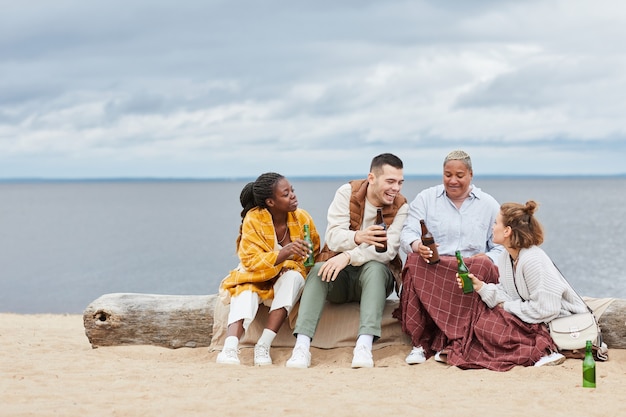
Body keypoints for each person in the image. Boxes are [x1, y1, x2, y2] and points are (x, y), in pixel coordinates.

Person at [285, 153, 408, 369]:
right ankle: (301, 347)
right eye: (390, 181)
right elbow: (333, 237)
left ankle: (364, 345)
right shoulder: (347, 193)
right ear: (371, 178)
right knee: (319, 269)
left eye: (400, 182)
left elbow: (388, 252)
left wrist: (349, 255)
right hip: (340, 277)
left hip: (375, 279)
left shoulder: (401, 207)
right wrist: (357, 237)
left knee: (376, 268)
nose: (396, 188)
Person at [398, 149, 504, 365]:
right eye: (448, 175)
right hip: (435, 269)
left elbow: (502, 247)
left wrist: (487, 258)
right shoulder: (426, 199)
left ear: (471, 175)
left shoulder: (489, 204)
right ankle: (419, 344)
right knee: (413, 261)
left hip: (470, 272)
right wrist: (418, 245)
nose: (453, 180)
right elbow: (407, 233)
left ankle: (458, 339)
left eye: (459, 175)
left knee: (484, 264)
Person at [454, 200, 589, 369]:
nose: (492, 227)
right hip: (534, 317)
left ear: (507, 231)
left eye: (496, 223)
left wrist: (507, 307)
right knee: (484, 320)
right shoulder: (506, 257)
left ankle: (545, 351)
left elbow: (547, 309)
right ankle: (536, 351)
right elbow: (506, 292)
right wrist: (480, 286)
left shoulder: (532, 260)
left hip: (558, 320)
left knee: (495, 321)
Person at [217, 172, 321, 366]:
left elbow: (312, 254)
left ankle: (263, 345)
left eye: (292, 190)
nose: (293, 196)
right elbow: (249, 261)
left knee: (295, 278)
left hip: (285, 277)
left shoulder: (302, 218)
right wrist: (284, 254)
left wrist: (289, 264)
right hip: (256, 274)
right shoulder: (254, 219)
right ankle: (229, 348)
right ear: (271, 202)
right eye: (285, 193)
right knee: (245, 289)